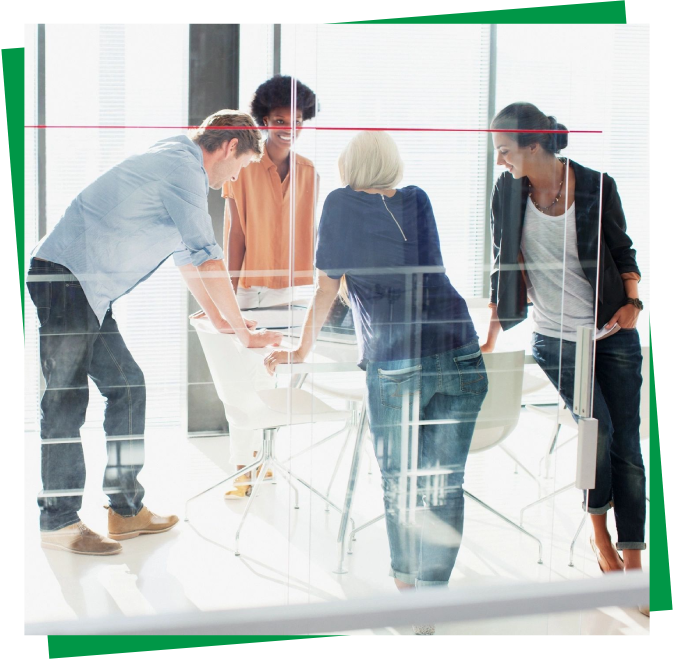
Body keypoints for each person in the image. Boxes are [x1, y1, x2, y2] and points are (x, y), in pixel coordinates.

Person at [27, 110, 282, 556]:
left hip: (87, 289)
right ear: (227, 148)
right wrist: (243, 333)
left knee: (128, 386)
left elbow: (188, 256)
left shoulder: (177, 160)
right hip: (66, 281)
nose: (230, 182)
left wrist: (223, 321)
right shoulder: (182, 169)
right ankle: (58, 520)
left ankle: (124, 510)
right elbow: (207, 257)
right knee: (65, 398)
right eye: (238, 168)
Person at [265, 131, 488, 636]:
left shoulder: (341, 203)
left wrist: (300, 350)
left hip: (398, 361)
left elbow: (326, 287)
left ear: (350, 169)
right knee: (444, 483)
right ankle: (431, 598)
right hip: (459, 350)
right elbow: (415, 270)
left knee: (401, 482)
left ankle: (411, 598)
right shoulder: (418, 199)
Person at [482, 102, 648, 616]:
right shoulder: (507, 193)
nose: (500, 161)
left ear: (534, 145)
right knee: (598, 432)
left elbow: (623, 250)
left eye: (505, 151)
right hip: (556, 338)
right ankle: (601, 541)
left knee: (628, 445)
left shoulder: (598, 185)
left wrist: (635, 302)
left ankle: (635, 562)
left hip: (611, 332)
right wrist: (489, 335)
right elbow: (503, 263)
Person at [220, 75, 318, 498]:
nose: (288, 127)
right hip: (250, 291)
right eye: (279, 118)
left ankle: (264, 461)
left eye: (296, 119)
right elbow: (235, 235)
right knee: (242, 381)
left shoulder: (311, 172)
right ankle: (243, 466)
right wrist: (230, 298)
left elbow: (312, 233)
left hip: (295, 292)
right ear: (263, 120)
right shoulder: (241, 168)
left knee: (274, 383)